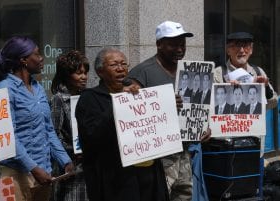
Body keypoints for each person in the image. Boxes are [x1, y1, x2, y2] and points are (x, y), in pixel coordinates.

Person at [127, 20, 210, 201]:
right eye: (173, 44)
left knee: (185, 195)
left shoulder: (191, 72)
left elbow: (201, 108)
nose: (179, 49)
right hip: (157, 157)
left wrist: (205, 126)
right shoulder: (142, 73)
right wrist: (163, 103)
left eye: (182, 44)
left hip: (185, 151)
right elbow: (130, 113)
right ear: (159, 44)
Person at [75, 47, 169, 201]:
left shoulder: (140, 94)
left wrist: (170, 106)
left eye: (124, 64)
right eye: (114, 65)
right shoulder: (90, 99)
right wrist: (119, 102)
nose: (120, 69)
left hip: (149, 174)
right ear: (100, 72)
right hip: (117, 179)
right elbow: (91, 137)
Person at [0, 36, 74, 201]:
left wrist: (65, 160)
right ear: (23, 60)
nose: (41, 58)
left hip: (44, 173)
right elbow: (9, 139)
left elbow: (48, 130)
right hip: (16, 175)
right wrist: (33, 168)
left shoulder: (38, 88)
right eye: (36, 54)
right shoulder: (4, 89)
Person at [50, 50, 89, 201]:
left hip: (87, 163)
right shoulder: (59, 99)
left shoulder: (86, 95)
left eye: (85, 73)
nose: (83, 77)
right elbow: (54, 133)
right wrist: (71, 151)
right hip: (69, 164)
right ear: (67, 75)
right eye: (79, 73)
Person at [213, 31, 277, 111]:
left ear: (251, 50)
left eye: (246, 46)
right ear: (228, 50)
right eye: (237, 46)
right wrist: (228, 90)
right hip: (227, 122)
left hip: (253, 122)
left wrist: (265, 88)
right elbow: (210, 106)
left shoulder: (258, 72)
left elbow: (273, 102)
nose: (242, 50)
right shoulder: (217, 73)